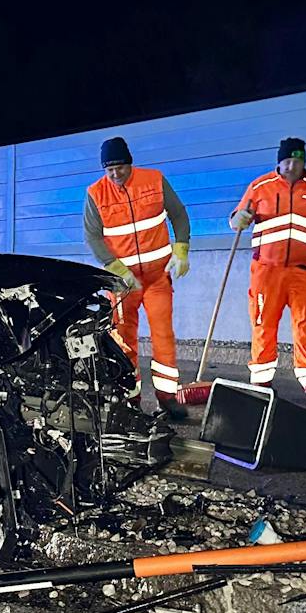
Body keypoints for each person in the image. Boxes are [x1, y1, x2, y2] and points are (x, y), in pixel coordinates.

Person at [228, 137, 306, 400]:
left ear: (303, 163)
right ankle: (261, 382)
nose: (291, 166)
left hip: (304, 271)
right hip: (266, 271)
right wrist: (238, 218)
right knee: (263, 323)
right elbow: (238, 218)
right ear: (279, 161)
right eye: (286, 161)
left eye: (296, 161)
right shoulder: (259, 186)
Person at [84, 136, 191, 414]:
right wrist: (117, 270)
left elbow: (178, 214)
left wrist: (181, 250)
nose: (116, 174)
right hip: (123, 284)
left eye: (120, 167)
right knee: (123, 340)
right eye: (109, 170)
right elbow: (93, 237)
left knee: (163, 336)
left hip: (157, 279)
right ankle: (129, 399)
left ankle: (167, 398)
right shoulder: (96, 193)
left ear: (129, 163)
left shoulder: (154, 180)